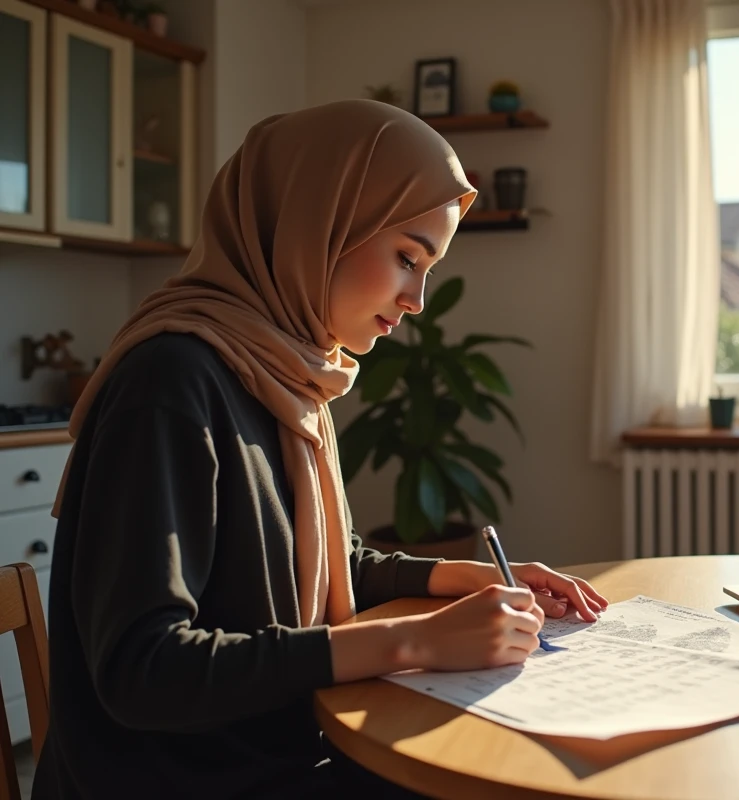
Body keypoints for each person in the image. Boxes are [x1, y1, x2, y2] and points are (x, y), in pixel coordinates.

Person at [30, 99, 608, 799]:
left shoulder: (282, 371)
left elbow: (319, 561)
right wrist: (415, 641)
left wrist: (466, 578)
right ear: (320, 226)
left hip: (273, 754)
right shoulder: (171, 384)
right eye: (406, 257)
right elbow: (143, 670)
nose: (418, 299)